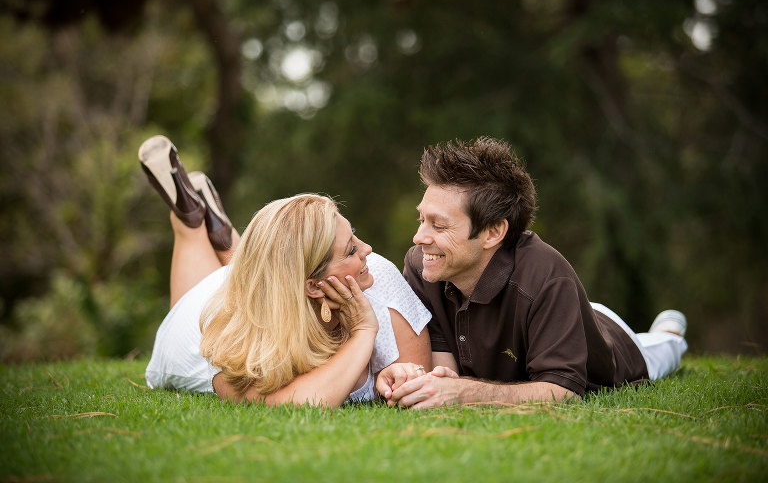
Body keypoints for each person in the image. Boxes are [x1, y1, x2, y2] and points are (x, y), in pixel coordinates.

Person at [376, 137, 688, 409]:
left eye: (439, 225)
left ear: (493, 232)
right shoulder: (423, 265)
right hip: (555, 314)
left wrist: (463, 393)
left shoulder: (547, 277)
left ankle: (669, 332)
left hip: (611, 338)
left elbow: (563, 393)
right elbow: (446, 370)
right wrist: (435, 384)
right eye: (421, 220)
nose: (419, 238)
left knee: (661, 352)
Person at [138, 135, 431, 407]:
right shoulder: (237, 344)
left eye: (354, 236)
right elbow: (295, 403)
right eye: (351, 249)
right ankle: (190, 222)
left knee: (264, 266)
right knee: (197, 254)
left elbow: (419, 377)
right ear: (314, 286)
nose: (367, 248)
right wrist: (364, 332)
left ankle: (221, 232)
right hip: (202, 314)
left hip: (260, 277)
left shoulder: (377, 273)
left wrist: (398, 375)